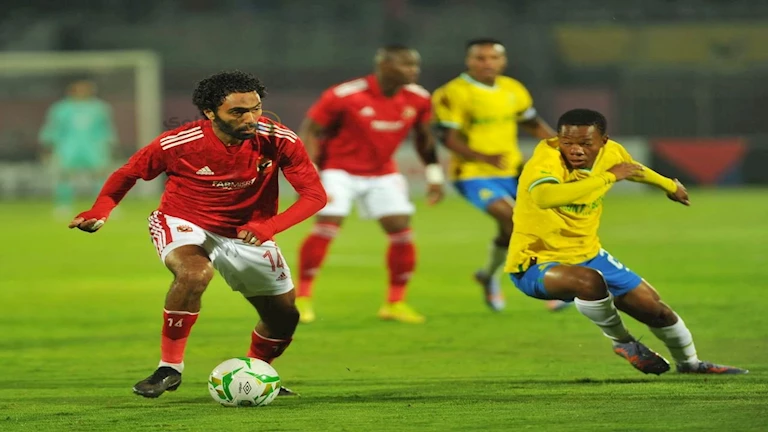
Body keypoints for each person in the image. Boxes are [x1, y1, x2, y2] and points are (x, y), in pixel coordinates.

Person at [68, 70, 328, 398]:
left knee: (283, 317)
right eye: (238, 112)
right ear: (210, 112)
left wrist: (269, 226)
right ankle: (169, 368)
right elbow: (128, 173)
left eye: (256, 109)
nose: (250, 119)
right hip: (184, 220)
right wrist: (100, 209)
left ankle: (254, 372)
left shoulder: (279, 139)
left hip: (247, 231)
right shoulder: (179, 143)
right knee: (193, 274)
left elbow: (315, 195)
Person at [505, 108, 747, 375]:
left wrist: (670, 186)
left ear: (603, 141)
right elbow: (544, 197)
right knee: (589, 281)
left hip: (588, 253)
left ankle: (690, 364)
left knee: (654, 309)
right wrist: (608, 177)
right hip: (536, 262)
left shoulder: (612, 153)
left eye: (585, 143)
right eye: (567, 143)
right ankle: (624, 343)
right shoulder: (546, 157)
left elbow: (634, 170)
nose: (575, 150)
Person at [294, 45, 444, 324]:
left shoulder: (419, 98)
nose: (414, 70)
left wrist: (434, 175)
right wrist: (308, 174)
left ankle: (395, 303)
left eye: (415, 65)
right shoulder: (344, 95)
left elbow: (424, 137)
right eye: (406, 64)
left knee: (401, 230)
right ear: (384, 66)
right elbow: (310, 130)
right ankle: (302, 299)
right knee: (328, 225)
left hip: (382, 172)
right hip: (338, 170)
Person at [432, 38, 567, 312]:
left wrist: (562, 146)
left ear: (503, 61)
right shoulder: (452, 93)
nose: (487, 63)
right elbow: (447, 137)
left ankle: (487, 275)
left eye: (493, 58)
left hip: (512, 172)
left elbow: (531, 122)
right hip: (472, 174)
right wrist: (483, 157)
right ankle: (547, 285)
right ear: (469, 61)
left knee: (511, 229)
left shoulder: (513, 89)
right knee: (515, 219)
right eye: (480, 58)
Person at [39, 79, 117, 216]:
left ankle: (104, 206)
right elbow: (53, 128)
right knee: (64, 175)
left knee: (101, 175)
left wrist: (110, 144)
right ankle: (63, 205)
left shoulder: (100, 108)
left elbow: (106, 128)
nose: (82, 92)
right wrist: (47, 144)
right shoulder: (61, 108)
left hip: (94, 146)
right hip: (68, 146)